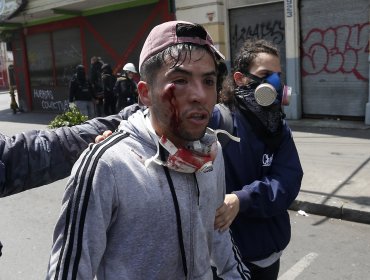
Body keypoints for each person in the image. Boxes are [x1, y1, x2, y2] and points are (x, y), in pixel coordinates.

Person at [45, 21, 250, 279]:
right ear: (145, 93)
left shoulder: (211, 152)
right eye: (180, 80)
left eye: (208, 81)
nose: (200, 95)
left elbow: (220, 235)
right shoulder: (106, 166)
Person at [209, 38, 303, 279]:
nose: (276, 82)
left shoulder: (278, 127)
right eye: (266, 74)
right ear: (240, 78)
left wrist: (242, 200)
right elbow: (162, 117)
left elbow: (288, 180)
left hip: (267, 254)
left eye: (278, 75)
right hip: (224, 257)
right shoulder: (218, 121)